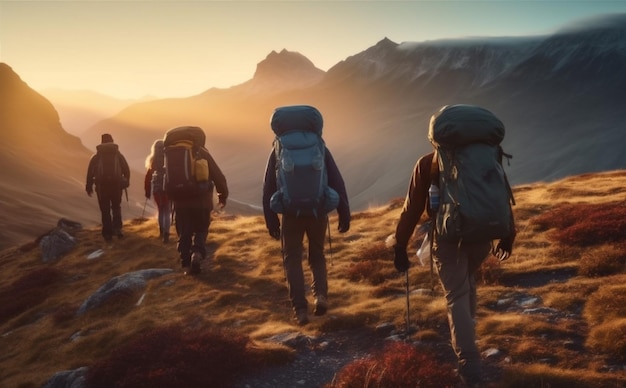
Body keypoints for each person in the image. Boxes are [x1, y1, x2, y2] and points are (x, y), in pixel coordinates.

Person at [392, 110, 515, 386]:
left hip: (449, 239)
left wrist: (400, 245)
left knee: (456, 295)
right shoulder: (489, 154)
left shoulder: (429, 163)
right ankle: (468, 335)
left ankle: (469, 365)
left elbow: (411, 209)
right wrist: (508, 234)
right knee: (467, 283)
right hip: (483, 237)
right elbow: (501, 194)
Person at [262, 110, 351, 326]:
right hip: (317, 211)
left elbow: (268, 188)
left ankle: (300, 310)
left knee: (292, 259)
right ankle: (320, 295)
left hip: (291, 214)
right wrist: (344, 213)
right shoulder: (319, 147)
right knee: (317, 255)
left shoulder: (279, 149)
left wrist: (271, 220)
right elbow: (337, 181)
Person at [170, 137, 228, 275]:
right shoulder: (202, 152)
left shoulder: (171, 154)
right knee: (201, 230)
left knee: (184, 232)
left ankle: (186, 262)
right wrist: (222, 195)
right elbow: (218, 175)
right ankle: (196, 253)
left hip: (180, 203)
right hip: (201, 202)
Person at [85, 133, 131, 242]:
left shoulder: (96, 157)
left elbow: (90, 173)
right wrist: (125, 182)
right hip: (116, 186)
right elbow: (126, 170)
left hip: (102, 188)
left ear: (101, 142)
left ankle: (107, 234)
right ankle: (118, 229)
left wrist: (89, 187)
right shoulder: (118, 155)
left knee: (105, 210)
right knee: (116, 207)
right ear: (112, 141)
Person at [144, 139, 171, 243]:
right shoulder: (168, 159)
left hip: (157, 191)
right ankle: (166, 234)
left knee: (161, 210)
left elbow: (148, 178)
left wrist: (147, 191)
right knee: (167, 211)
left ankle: (161, 230)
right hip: (167, 190)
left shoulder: (152, 161)